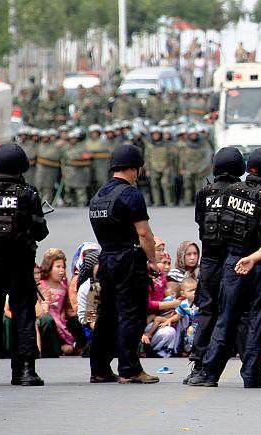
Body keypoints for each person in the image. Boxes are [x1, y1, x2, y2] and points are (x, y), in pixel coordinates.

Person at [188, 147, 261, 388]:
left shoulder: (228, 193)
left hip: (232, 263)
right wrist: (253, 258)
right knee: (258, 321)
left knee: (225, 318)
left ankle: (209, 374)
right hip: (260, 265)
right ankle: (252, 374)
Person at [88, 144, 161, 384]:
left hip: (106, 259)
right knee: (132, 314)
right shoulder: (131, 194)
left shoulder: (98, 196)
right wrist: (153, 261)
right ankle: (129, 368)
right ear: (134, 168)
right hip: (128, 260)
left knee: (107, 315)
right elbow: (144, 233)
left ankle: (99, 368)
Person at [0, 144, 49, 386]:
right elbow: (40, 231)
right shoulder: (27, 193)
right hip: (19, 264)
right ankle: (24, 371)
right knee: (23, 315)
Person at [184, 147, 245, 383]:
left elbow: (200, 221)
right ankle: (249, 367)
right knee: (238, 311)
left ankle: (199, 364)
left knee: (207, 311)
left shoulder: (204, 193)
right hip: (234, 258)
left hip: (209, 259)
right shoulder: (243, 193)